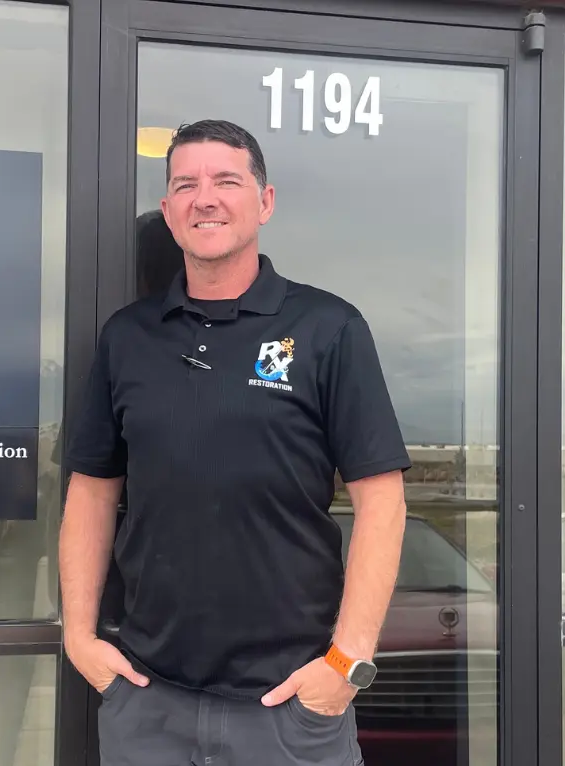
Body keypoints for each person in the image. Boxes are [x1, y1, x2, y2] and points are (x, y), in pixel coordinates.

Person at [59, 118, 410, 766]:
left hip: (287, 709)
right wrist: (79, 635)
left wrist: (348, 660)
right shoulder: (128, 337)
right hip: (147, 704)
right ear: (168, 210)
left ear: (264, 202)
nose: (206, 197)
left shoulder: (328, 328)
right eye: (186, 184)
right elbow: (90, 490)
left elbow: (382, 501)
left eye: (226, 180)